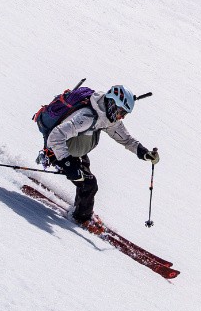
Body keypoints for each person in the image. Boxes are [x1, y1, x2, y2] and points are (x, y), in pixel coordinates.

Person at [42, 84, 160, 225]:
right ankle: (82, 219)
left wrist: (144, 153)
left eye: (125, 114)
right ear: (112, 104)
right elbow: (55, 136)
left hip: (74, 149)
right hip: (58, 151)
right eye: (122, 112)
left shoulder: (107, 117)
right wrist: (67, 164)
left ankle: (80, 209)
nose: (122, 117)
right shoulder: (87, 116)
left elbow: (126, 139)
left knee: (85, 176)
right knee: (89, 184)